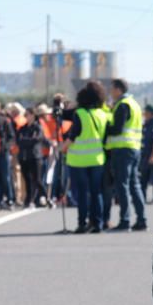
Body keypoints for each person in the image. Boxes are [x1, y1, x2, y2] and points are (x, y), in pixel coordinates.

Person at [62, 81, 109, 233]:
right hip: (97, 159)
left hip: (78, 160)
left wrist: (62, 148)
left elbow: (73, 135)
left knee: (82, 193)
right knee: (97, 193)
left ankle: (82, 223)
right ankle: (98, 223)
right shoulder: (102, 114)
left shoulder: (80, 114)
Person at [105, 78, 146, 231]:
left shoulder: (122, 105)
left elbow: (117, 129)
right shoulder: (134, 103)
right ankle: (141, 220)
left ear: (118, 89)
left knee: (122, 185)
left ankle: (125, 220)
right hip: (134, 148)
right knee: (134, 185)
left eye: (112, 88)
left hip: (123, 149)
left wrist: (104, 127)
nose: (110, 91)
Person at [15, 108, 47, 208]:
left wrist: (26, 141)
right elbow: (18, 140)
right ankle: (29, 200)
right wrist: (28, 141)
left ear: (33, 115)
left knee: (37, 179)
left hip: (35, 156)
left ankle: (45, 196)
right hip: (24, 156)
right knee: (27, 179)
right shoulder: (23, 128)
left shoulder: (38, 127)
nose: (26, 117)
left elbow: (37, 139)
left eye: (27, 114)